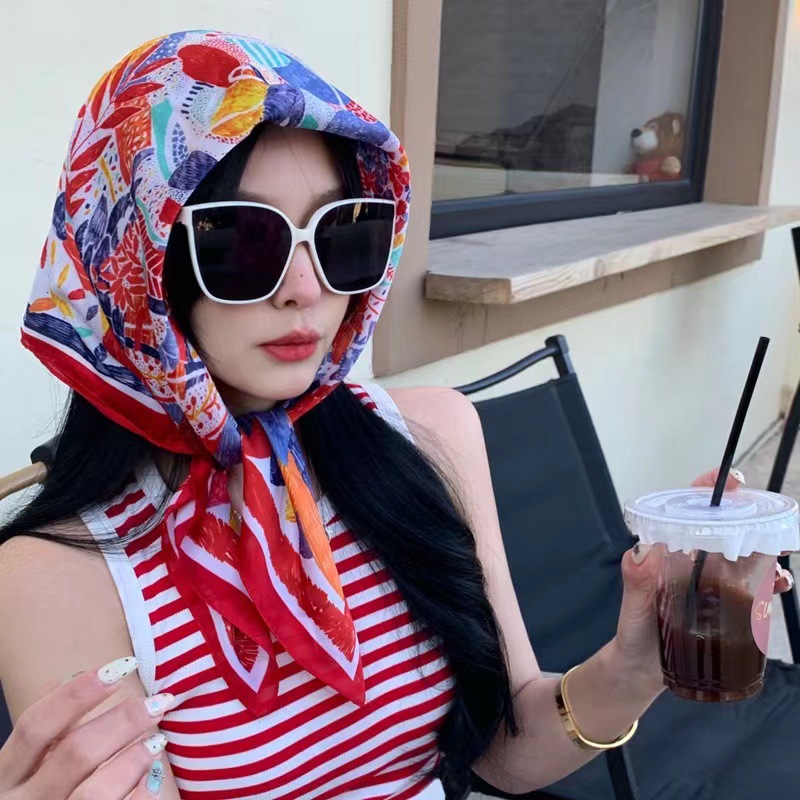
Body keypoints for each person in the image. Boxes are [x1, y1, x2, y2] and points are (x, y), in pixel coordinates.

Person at [0, 30, 792, 800]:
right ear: (134, 261)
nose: (307, 289)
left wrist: (635, 663)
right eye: (241, 240)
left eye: (344, 232)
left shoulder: (429, 437)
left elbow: (505, 748)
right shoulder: (58, 579)